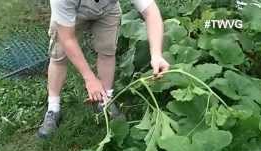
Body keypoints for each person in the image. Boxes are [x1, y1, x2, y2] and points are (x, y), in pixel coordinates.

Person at [38, 0, 170, 138]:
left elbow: (151, 13)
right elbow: (67, 39)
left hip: (108, 10)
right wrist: (89, 78)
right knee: (59, 56)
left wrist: (156, 55)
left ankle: (105, 101)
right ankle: (53, 109)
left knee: (107, 51)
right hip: (73, 11)